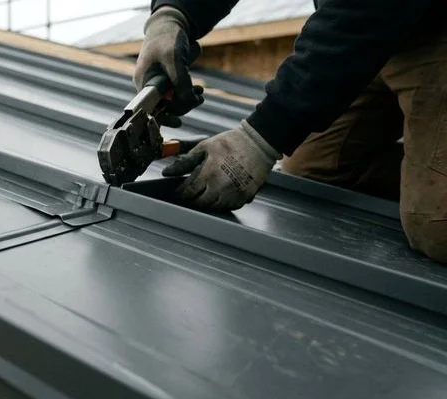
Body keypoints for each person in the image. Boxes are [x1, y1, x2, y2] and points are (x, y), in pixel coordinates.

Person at [134, 0, 447, 263]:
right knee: (312, 170)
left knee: (435, 226)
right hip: (376, 29)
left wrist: (263, 136)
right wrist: (173, 13)